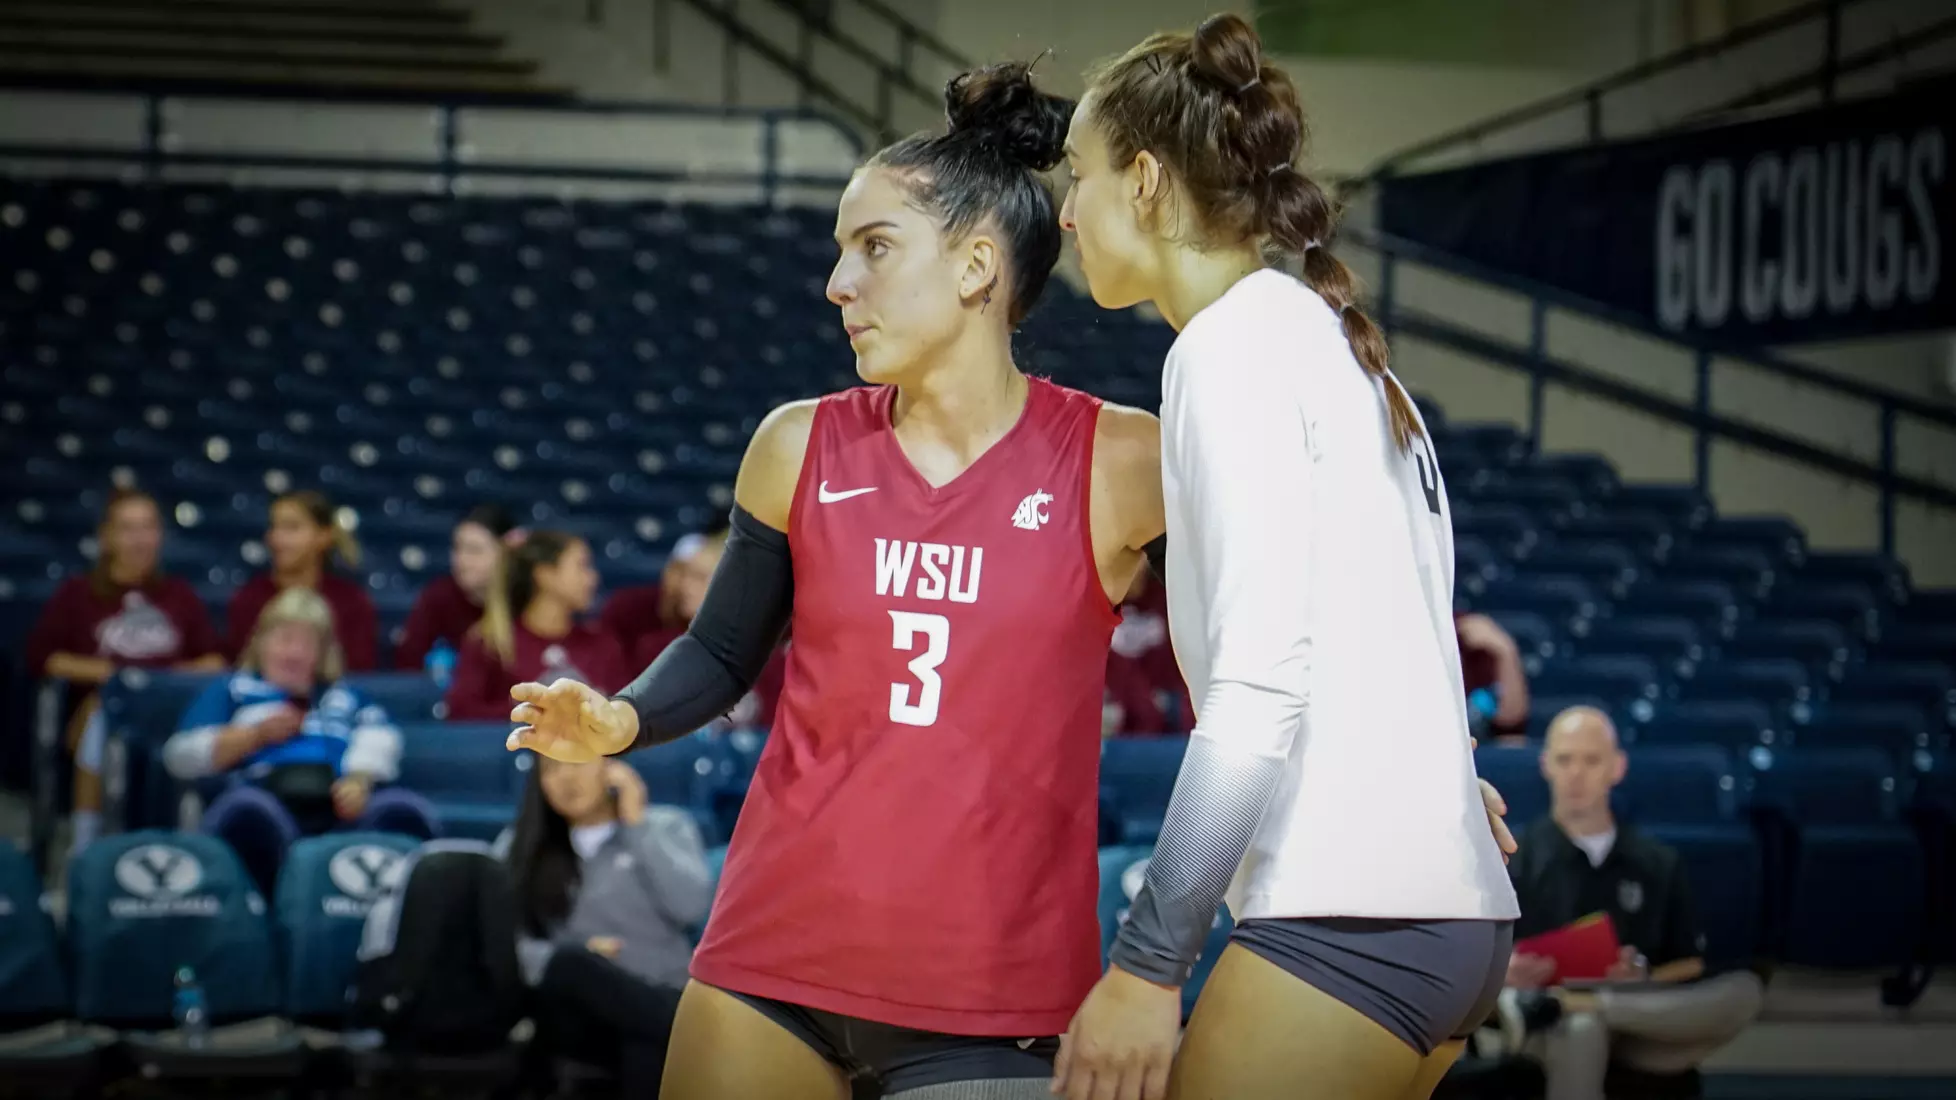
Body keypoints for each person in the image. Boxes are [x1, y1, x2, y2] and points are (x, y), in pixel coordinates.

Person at [506, 60, 1169, 1100]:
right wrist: (619, 721)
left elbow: (1264, 660)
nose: (837, 285)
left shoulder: (1124, 460)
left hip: (993, 990)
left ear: (976, 266)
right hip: (772, 958)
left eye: (874, 248)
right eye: (839, 253)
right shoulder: (795, 442)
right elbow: (725, 649)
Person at [1052, 14, 1518, 1100]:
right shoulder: (1329, 340)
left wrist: (1146, 962)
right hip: (1445, 908)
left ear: (1149, 181)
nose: (1066, 210)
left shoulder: (1229, 351)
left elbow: (1260, 684)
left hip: (1347, 910)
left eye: (1080, 175)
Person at [1502, 706, 1761, 1100]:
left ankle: (1584, 1004)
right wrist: (1509, 969)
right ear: (1546, 766)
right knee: (1582, 1030)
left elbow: (1687, 962)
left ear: (1617, 768)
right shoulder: (1514, 858)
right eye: (1565, 759)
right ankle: (1577, 1009)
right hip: (1547, 1025)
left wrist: (1642, 975)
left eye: (1591, 760)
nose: (1576, 774)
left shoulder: (1657, 861)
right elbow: (1483, 961)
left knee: (1744, 991)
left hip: (1642, 1020)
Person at [161, 586, 440, 891]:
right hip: (265, 793)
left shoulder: (343, 696)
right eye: (284, 639)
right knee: (248, 812)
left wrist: (359, 779)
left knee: (402, 808)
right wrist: (254, 736)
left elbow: (381, 737)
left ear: (323, 654)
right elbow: (180, 755)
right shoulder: (233, 690)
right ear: (260, 642)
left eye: (307, 644)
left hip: (338, 805)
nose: (294, 653)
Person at [499, 753, 712, 1097]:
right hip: (577, 1014)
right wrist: (582, 958)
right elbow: (510, 946)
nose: (567, 777)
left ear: (613, 767)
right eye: (552, 768)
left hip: (658, 997)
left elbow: (691, 908)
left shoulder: (665, 827)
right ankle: (683, 1030)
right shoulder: (521, 845)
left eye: (578, 761)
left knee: (642, 1042)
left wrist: (636, 824)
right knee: (572, 963)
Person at [29, 488, 225, 853]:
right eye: (128, 529)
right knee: (104, 712)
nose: (140, 540)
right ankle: (84, 847)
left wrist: (154, 683)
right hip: (99, 715)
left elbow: (214, 660)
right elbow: (46, 658)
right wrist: (117, 679)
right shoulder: (79, 594)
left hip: (165, 714)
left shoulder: (178, 595)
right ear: (107, 537)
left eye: (148, 528)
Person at [444, 530, 629, 722]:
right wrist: (536, 713)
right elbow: (460, 712)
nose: (592, 578)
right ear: (545, 575)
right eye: (582, 566)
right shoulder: (492, 642)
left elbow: (625, 715)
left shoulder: (603, 645)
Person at [226, 489, 378, 671]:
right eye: (274, 527)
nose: (277, 538)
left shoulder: (352, 602)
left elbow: (360, 673)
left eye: (291, 528)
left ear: (324, 536)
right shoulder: (249, 598)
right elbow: (238, 668)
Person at [395, 503, 516, 671]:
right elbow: (409, 666)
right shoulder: (437, 597)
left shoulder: (525, 599)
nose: (462, 560)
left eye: (474, 550)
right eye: (457, 548)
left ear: (506, 553)